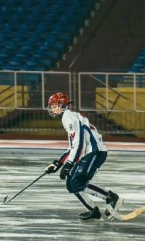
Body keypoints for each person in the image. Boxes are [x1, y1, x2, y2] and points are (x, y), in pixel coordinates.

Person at [45, 92, 123, 220]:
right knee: (71, 184)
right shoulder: (69, 117)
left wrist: (69, 163)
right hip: (88, 152)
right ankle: (93, 210)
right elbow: (72, 147)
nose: (52, 109)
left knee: (77, 182)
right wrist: (58, 164)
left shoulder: (68, 118)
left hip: (95, 152)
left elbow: (79, 143)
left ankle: (111, 197)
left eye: (54, 106)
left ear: (62, 105)